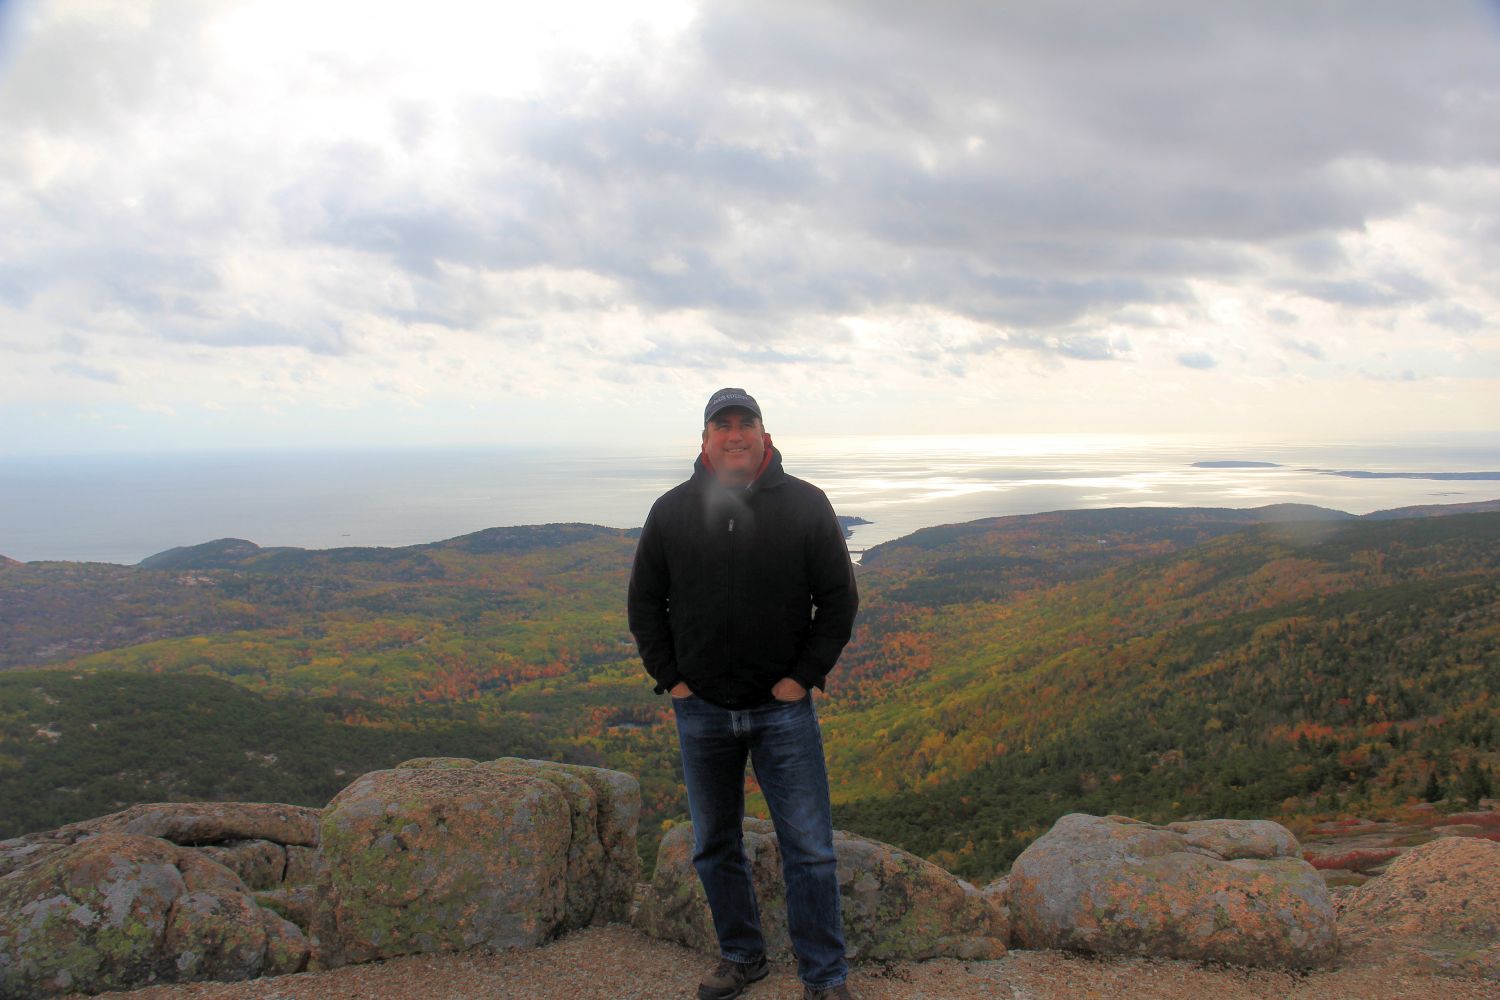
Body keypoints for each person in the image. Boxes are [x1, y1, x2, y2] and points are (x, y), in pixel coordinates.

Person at [628, 388, 861, 1000]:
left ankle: (825, 978)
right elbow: (645, 604)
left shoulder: (806, 504)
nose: (735, 434)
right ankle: (742, 956)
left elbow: (838, 601)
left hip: (781, 710)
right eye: (722, 425)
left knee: (809, 849)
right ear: (704, 440)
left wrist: (801, 678)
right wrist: (671, 679)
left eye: (745, 423)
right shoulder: (672, 510)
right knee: (714, 845)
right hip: (700, 708)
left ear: (764, 433)